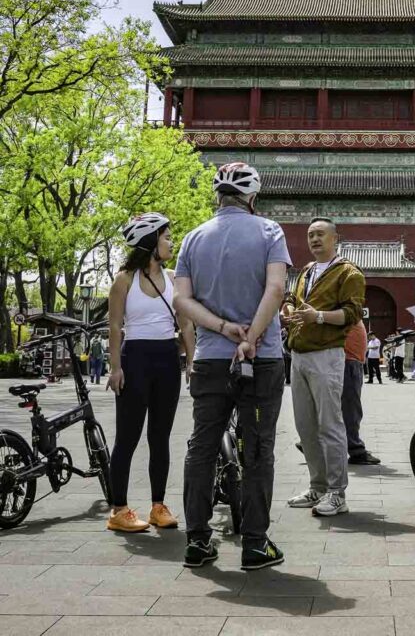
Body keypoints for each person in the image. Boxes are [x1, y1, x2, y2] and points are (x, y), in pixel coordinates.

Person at [175, 162, 290, 571]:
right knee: (258, 447)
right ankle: (255, 545)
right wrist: (251, 337)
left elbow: (182, 302)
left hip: (209, 359)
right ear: (252, 197)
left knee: (201, 447)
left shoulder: (191, 239)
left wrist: (223, 328)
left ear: (217, 196)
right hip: (261, 360)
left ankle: (198, 541)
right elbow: (276, 288)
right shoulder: (269, 232)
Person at [106, 213, 195, 534]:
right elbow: (115, 327)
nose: (171, 241)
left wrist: (191, 361)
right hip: (135, 360)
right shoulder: (124, 280)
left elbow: (186, 323)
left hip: (167, 359)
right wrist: (115, 368)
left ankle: (158, 506)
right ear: (149, 243)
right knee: (127, 438)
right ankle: (119, 510)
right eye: (166, 237)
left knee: (160, 437)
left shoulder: (174, 278)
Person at [285, 217, 365, 517]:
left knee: (329, 425)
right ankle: (317, 486)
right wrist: (290, 311)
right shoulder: (306, 270)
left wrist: (317, 317)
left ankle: (336, 492)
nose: (314, 239)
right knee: (305, 426)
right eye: (310, 235)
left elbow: (352, 313)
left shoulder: (349, 272)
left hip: (327, 354)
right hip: (299, 354)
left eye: (320, 234)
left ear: (335, 238)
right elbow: (294, 300)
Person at [343, 319, 381, 465]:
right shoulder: (341, 301)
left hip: (352, 362)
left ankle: (313, 443)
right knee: (351, 409)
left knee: (344, 408)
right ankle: (356, 449)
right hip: (348, 363)